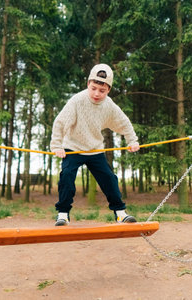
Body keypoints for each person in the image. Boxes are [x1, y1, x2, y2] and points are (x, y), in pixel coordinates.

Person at [50, 63, 140, 226]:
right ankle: (63, 214)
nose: (96, 94)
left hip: (94, 149)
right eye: (93, 88)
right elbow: (60, 122)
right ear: (88, 84)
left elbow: (124, 122)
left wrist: (132, 141)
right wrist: (56, 146)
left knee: (109, 179)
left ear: (108, 90)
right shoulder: (77, 100)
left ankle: (120, 213)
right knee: (67, 177)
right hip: (73, 147)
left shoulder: (109, 105)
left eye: (102, 91)